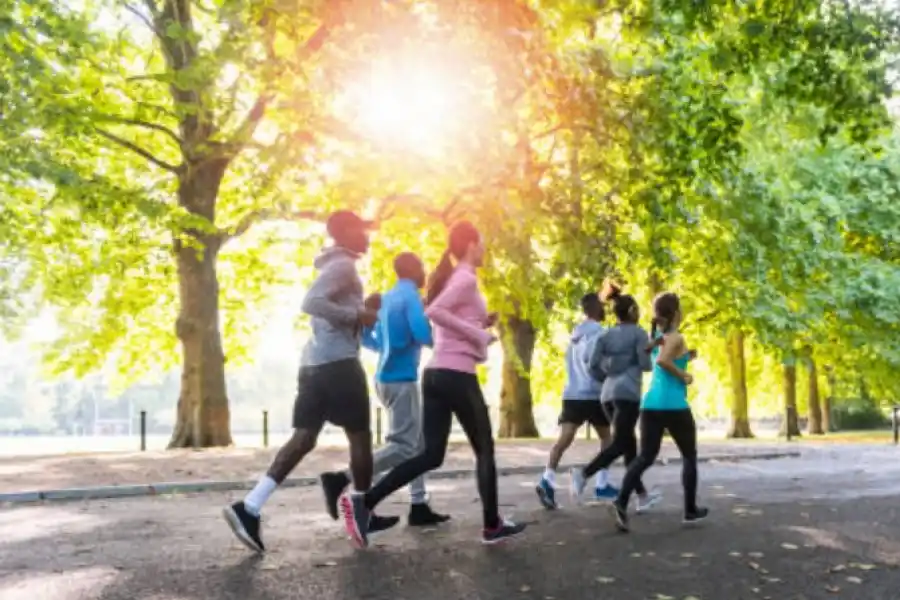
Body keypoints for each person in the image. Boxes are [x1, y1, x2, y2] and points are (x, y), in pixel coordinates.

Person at [340, 221, 526, 545]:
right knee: (485, 449)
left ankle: (365, 502)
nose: (484, 249)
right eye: (481, 243)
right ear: (469, 244)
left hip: (436, 375)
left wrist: (480, 322)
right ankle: (492, 524)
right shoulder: (465, 278)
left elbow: (447, 320)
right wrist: (479, 334)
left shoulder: (454, 279)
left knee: (431, 456)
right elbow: (437, 312)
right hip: (456, 375)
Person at [223, 210, 392, 552]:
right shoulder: (343, 266)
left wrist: (361, 311)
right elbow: (311, 302)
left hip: (313, 364)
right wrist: (357, 314)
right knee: (360, 438)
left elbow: (328, 310)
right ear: (345, 232)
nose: (367, 236)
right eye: (362, 229)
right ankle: (361, 510)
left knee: (304, 438)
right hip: (339, 365)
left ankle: (250, 507)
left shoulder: (336, 265)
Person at [319, 252, 450, 527]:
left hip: (384, 379)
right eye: (422, 268)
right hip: (401, 379)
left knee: (419, 446)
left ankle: (418, 504)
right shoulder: (410, 295)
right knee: (404, 447)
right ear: (413, 270)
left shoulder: (388, 299)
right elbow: (423, 333)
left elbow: (372, 339)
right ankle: (342, 478)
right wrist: (451, 341)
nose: (424, 273)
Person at [608, 291, 709, 532]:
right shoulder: (674, 336)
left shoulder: (657, 337)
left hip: (650, 405)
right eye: (681, 309)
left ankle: (621, 501)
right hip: (674, 405)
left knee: (645, 456)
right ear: (675, 314)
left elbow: (657, 356)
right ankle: (690, 510)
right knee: (689, 456)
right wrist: (684, 374)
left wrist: (687, 358)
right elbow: (664, 362)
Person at [569, 281, 661, 512]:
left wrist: (608, 372)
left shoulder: (606, 335)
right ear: (632, 312)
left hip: (607, 395)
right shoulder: (638, 334)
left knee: (629, 448)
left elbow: (592, 365)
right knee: (622, 443)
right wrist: (644, 350)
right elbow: (645, 365)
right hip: (628, 394)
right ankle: (584, 473)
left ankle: (641, 496)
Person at [535, 292, 617, 510]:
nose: (605, 309)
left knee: (564, 439)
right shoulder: (601, 334)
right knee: (607, 439)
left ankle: (547, 478)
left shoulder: (575, 335)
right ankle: (601, 484)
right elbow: (596, 363)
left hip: (572, 393)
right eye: (602, 306)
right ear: (596, 310)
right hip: (594, 394)